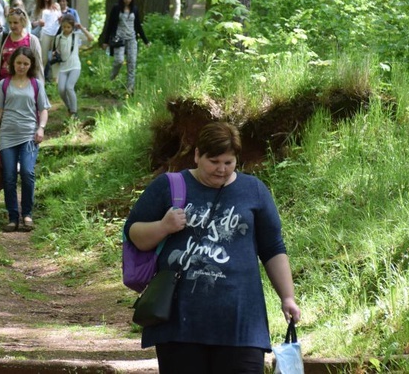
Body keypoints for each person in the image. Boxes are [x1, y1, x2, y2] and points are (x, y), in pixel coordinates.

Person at [124, 122, 301, 374]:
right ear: (197, 155)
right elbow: (134, 235)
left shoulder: (254, 191)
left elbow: (273, 248)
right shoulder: (169, 186)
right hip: (179, 323)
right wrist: (163, 226)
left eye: (228, 162)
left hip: (241, 323)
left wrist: (287, 297)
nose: (221, 170)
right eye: (214, 161)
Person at [0, 46, 51, 232]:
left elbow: (44, 109)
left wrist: (41, 128)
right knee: (8, 177)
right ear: (12, 63)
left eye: (25, 63)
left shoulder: (36, 84)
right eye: (18, 63)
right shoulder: (4, 84)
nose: (21, 66)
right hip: (7, 135)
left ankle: (27, 214)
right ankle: (13, 217)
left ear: (31, 65)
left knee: (27, 173)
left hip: (29, 135)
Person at [0, 7, 44, 96]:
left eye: (15, 23)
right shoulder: (3, 38)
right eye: (10, 23)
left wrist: (40, 90)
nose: (12, 26)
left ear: (23, 22)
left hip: (25, 87)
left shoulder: (32, 40)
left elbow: (38, 66)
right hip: (3, 85)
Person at [101, 0, 150, 95]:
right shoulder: (116, 8)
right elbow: (110, 25)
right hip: (119, 39)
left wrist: (146, 41)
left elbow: (138, 26)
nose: (127, 0)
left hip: (132, 39)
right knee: (119, 60)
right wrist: (105, 41)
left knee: (132, 63)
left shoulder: (135, 9)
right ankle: (111, 79)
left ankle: (130, 89)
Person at [51, 14, 93, 120]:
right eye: (64, 27)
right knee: (61, 89)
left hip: (74, 66)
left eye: (68, 27)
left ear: (72, 27)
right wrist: (55, 54)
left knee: (69, 87)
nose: (66, 29)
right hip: (63, 67)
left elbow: (91, 38)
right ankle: (69, 107)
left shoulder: (76, 35)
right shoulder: (58, 37)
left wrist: (81, 28)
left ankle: (74, 112)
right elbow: (58, 50)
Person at [31, 0, 62, 81]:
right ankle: (40, 81)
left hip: (56, 34)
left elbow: (60, 19)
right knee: (43, 58)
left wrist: (61, 19)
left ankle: (55, 81)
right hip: (44, 34)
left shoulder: (56, 6)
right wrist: (38, 22)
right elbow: (32, 23)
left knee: (56, 57)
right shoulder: (37, 8)